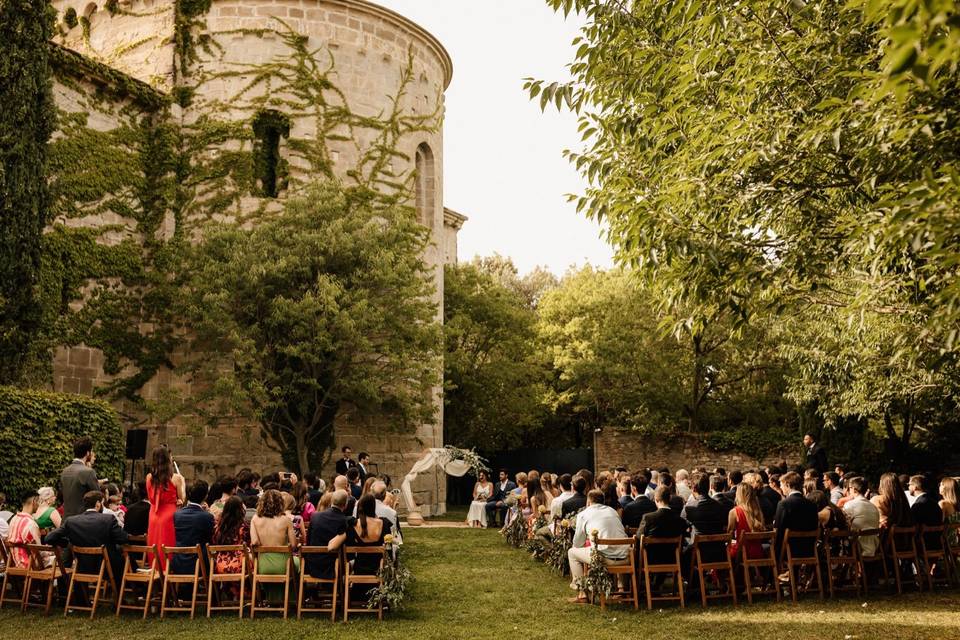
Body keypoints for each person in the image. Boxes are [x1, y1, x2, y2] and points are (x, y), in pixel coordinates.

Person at [46, 490, 128, 582]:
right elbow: (123, 539)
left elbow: (49, 538)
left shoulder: (71, 521)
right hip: (106, 568)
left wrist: (68, 544)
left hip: (81, 567)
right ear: (97, 504)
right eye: (102, 503)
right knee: (123, 555)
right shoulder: (108, 519)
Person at [567, 489, 629, 604]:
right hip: (626, 557)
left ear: (588, 501)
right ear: (603, 501)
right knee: (615, 544)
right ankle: (621, 590)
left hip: (603, 558)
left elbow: (577, 543)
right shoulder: (612, 511)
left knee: (572, 552)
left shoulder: (583, 514)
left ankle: (582, 593)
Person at [145, 445, 186, 567]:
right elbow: (182, 498)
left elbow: (151, 497)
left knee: (155, 543)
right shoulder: (176, 478)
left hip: (154, 514)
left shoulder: (149, 477)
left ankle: (155, 569)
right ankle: (168, 569)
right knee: (168, 543)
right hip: (169, 514)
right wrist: (183, 484)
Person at [250, 489, 300, 584]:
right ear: (280, 503)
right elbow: (294, 545)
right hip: (284, 565)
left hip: (263, 566)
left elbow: (254, 542)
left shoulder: (255, 519)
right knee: (299, 563)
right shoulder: (286, 520)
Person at [637, 486, 690, 572]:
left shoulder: (648, 518)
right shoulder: (680, 520)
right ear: (669, 498)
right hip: (672, 558)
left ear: (656, 500)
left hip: (650, 559)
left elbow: (638, 537)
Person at [773, 471, 819, 566]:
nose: (781, 488)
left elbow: (778, 529)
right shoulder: (812, 505)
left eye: (782, 485)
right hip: (809, 549)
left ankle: (771, 579)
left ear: (788, 485)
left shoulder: (784, 504)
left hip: (789, 550)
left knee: (768, 549)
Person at [171, 481, 215, 575]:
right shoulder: (207, 517)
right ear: (205, 496)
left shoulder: (177, 514)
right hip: (199, 565)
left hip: (178, 563)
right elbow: (211, 538)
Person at [211, 496, 250, 598]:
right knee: (253, 562)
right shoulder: (243, 527)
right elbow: (249, 544)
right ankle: (246, 594)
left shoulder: (218, 527)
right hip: (239, 565)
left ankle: (231, 593)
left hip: (220, 566)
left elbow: (214, 542)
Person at [306, 490, 349, 580]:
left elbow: (308, 540)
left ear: (332, 501)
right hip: (332, 565)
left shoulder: (315, 516)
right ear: (345, 505)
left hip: (312, 564)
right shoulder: (343, 521)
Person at [60, 437, 100, 519]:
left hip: (66, 521)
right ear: (88, 453)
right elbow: (97, 497)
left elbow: (62, 496)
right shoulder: (88, 472)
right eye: (91, 451)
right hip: (82, 522)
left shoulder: (64, 471)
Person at [843, 476, 881, 557]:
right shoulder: (873, 507)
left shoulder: (850, 505)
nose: (848, 491)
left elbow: (843, 524)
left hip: (857, 548)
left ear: (853, 489)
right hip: (874, 547)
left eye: (849, 488)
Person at [6, 490, 45, 568]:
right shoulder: (31, 524)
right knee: (58, 558)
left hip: (16, 563)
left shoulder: (13, 520)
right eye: (38, 502)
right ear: (34, 501)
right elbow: (39, 551)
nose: (39, 505)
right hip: (31, 565)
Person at [727, 483, 765, 561]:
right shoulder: (758, 511)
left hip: (742, 552)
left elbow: (729, 534)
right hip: (758, 551)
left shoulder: (734, 512)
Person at [909, 475, 944, 551]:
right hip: (937, 544)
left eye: (909, 485)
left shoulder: (918, 505)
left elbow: (911, 524)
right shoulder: (935, 503)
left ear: (915, 487)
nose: (908, 488)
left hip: (921, 545)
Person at [939, 476, 959, 546]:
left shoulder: (943, 503)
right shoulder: (957, 505)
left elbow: (939, 522)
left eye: (941, 484)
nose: (939, 486)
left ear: (946, 488)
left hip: (946, 540)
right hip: (956, 541)